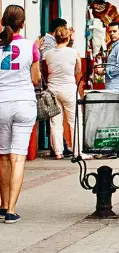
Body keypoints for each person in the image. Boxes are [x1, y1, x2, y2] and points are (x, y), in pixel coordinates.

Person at [0, 6, 40, 223]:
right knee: (18, 157)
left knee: (3, 156)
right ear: (22, 24)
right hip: (24, 103)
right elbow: (35, 79)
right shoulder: (30, 46)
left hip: (1, 103)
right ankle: (11, 210)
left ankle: (3, 204)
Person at [42, 24, 81, 159]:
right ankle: (77, 151)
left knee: (55, 122)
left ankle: (58, 152)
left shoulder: (47, 54)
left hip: (53, 89)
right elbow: (78, 70)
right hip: (69, 88)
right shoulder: (73, 52)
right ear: (68, 37)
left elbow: (45, 69)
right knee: (74, 120)